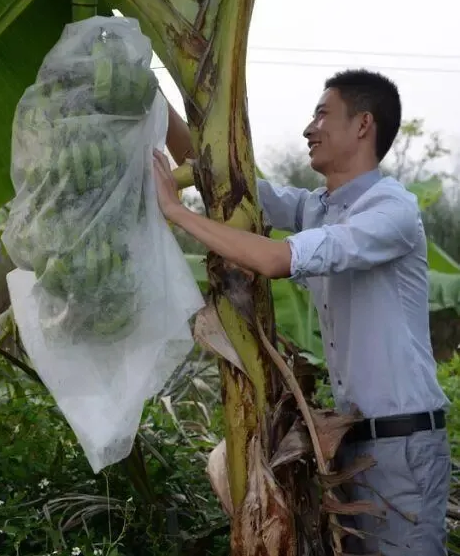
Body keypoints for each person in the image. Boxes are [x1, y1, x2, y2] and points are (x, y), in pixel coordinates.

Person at [157, 69, 451, 555]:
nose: (308, 128)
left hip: (403, 447)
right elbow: (213, 169)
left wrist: (177, 213)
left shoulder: (390, 210)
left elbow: (275, 259)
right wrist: (148, 89)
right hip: (350, 447)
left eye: (321, 114)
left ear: (362, 125)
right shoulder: (318, 208)